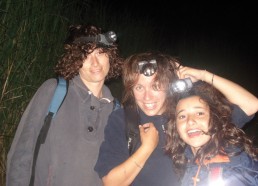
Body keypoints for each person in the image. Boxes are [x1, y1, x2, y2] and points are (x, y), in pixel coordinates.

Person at [94, 51, 258, 186]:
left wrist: (203, 75)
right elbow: (112, 183)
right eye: (139, 87)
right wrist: (146, 148)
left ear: (168, 85)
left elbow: (251, 104)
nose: (147, 96)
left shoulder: (186, 116)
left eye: (156, 86)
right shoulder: (123, 119)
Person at [6, 24, 123, 186]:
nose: (95, 62)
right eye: (86, 55)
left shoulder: (116, 110)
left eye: (100, 52)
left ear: (110, 56)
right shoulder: (54, 91)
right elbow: (21, 153)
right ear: (75, 60)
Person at [165, 81, 258, 186]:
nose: (190, 121)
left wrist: (204, 76)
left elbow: (252, 104)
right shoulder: (190, 159)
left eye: (199, 113)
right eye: (182, 116)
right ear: (175, 126)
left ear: (214, 120)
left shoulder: (232, 168)